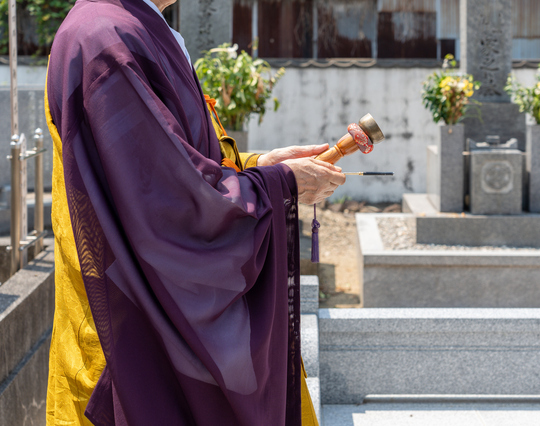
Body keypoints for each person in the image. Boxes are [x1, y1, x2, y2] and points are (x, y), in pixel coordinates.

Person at [44, 0, 345, 424]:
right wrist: (280, 186)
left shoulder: (132, 26)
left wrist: (259, 167)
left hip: (146, 314)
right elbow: (166, 202)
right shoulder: (105, 38)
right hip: (130, 333)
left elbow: (171, 162)